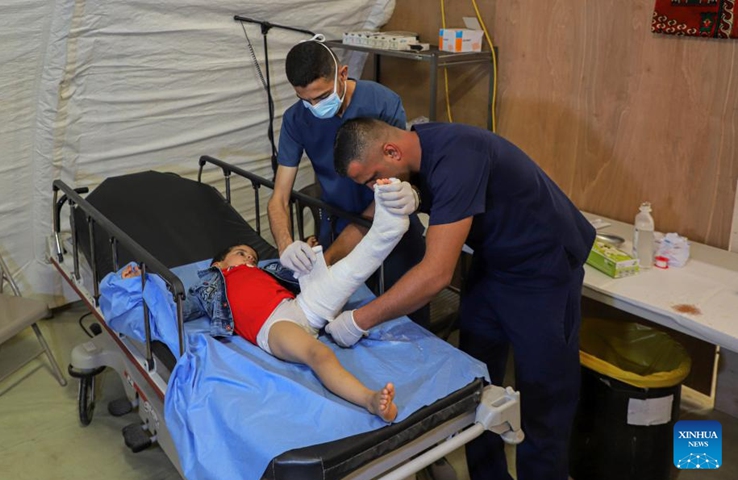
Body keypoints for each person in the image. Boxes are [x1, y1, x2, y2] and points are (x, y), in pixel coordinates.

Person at [330, 118, 597, 480]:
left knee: (544, 395)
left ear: (391, 151)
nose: (375, 187)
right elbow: (369, 221)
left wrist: (359, 320)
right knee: (474, 383)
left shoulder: (458, 155)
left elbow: (436, 275)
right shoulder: (411, 156)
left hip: (543, 268)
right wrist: (323, 263)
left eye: (372, 177)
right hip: (495, 263)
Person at [123, 179, 420, 422]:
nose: (251, 259)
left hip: (300, 307)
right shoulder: (211, 283)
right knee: (319, 355)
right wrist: (141, 281)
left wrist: (307, 255)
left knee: (346, 275)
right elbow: (179, 307)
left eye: (253, 257)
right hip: (273, 326)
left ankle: (386, 229)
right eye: (242, 254)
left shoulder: (264, 270)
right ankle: (369, 400)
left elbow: (293, 273)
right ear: (219, 263)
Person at [268, 37, 430, 327]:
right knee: (336, 326)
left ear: (342, 74)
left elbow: (394, 183)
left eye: (320, 96)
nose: (314, 106)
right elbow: (279, 197)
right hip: (336, 225)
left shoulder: (381, 102)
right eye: (305, 100)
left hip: (390, 227)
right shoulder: (296, 120)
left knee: (408, 326)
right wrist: (285, 246)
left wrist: (329, 259)